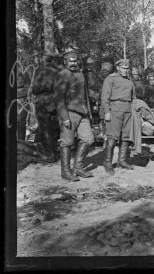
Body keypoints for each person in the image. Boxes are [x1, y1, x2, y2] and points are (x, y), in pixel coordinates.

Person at [55, 49, 95, 181]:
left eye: (75, 60)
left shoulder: (80, 74)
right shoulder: (62, 75)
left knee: (88, 139)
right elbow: (59, 98)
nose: (73, 63)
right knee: (67, 142)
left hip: (83, 113)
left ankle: (78, 167)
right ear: (65, 61)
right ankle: (65, 172)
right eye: (71, 61)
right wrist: (65, 117)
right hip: (69, 113)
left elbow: (85, 96)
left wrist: (88, 113)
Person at [100, 58, 136, 174]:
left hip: (128, 110)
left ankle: (122, 160)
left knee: (125, 137)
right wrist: (107, 112)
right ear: (118, 68)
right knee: (112, 138)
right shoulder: (110, 79)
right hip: (114, 110)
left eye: (127, 68)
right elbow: (105, 97)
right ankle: (108, 162)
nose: (125, 70)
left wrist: (134, 111)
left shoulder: (130, 81)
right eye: (123, 68)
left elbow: (134, 98)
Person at [31, 49, 63, 161]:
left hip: (43, 102)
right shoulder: (58, 70)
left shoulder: (41, 70)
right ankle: (55, 151)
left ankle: (49, 155)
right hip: (55, 102)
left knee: (45, 128)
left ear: (43, 59)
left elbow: (34, 89)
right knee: (54, 128)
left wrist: (39, 89)